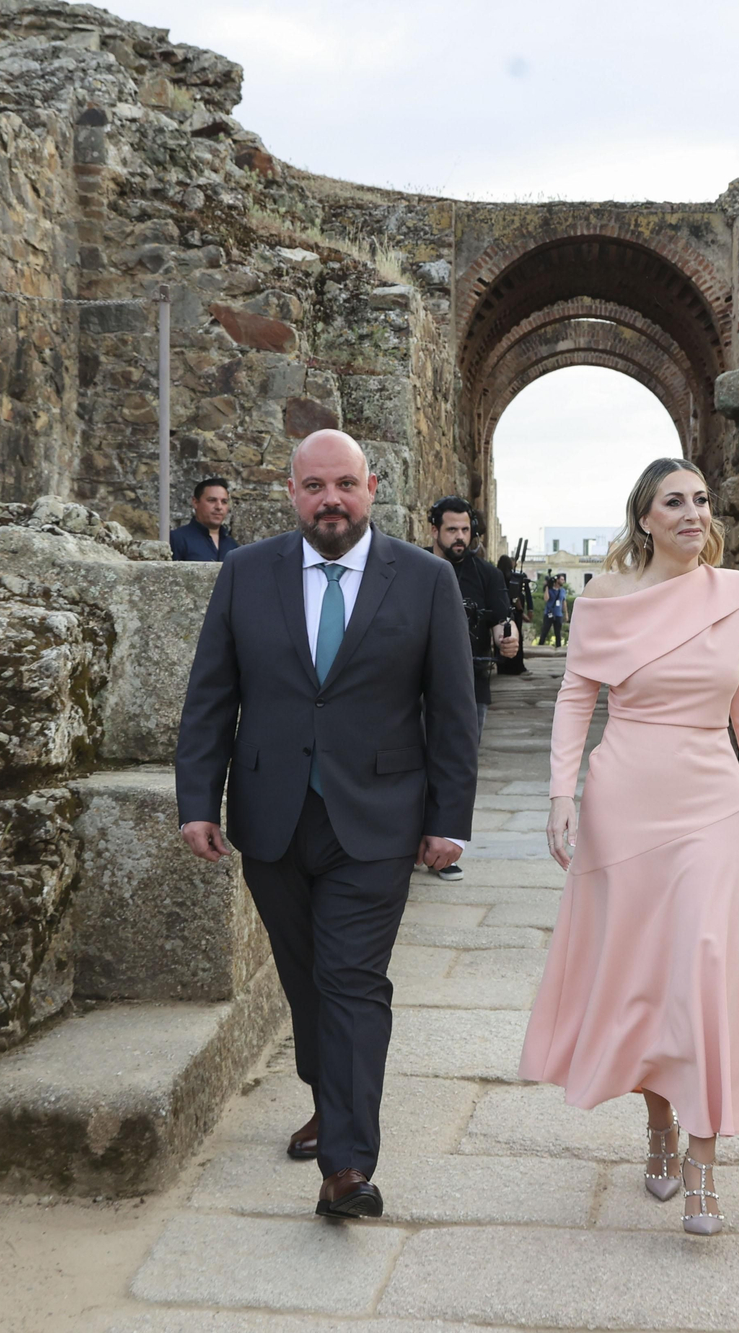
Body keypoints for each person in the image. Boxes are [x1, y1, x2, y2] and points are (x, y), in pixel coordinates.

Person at [174, 429, 478, 1222]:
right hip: (272, 819)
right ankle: (327, 1098)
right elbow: (211, 695)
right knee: (306, 978)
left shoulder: (426, 579)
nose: (331, 499)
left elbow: (452, 709)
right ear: (292, 492)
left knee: (351, 981)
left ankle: (347, 1164)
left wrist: (450, 819)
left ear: (371, 487)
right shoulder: (246, 572)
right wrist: (198, 802)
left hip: (376, 821)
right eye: (315, 486)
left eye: (345, 483)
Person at [521, 457, 739, 1237]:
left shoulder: (738, 597)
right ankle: (658, 1123)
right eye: (674, 501)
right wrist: (559, 793)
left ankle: (704, 1159)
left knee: (704, 968)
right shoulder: (604, 597)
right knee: (649, 975)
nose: (692, 513)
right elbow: (577, 695)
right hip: (625, 797)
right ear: (644, 517)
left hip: (710, 795)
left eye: (701, 500)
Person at [427, 497, 517, 881]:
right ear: (435, 530)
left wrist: (507, 641)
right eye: (452, 530)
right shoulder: (417, 568)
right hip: (414, 687)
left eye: (466, 530)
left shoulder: (487, 575)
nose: (460, 537)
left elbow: (501, 622)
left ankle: (446, 844)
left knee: (457, 765)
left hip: (471, 686)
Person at [169, 476, 240, 561]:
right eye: (212, 500)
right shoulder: (177, 539)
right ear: (195, 502)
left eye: (224, 502)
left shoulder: (232, 546)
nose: (219, 507)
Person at [539, 575, 567, 646]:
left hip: (558, 614)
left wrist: (566, 613)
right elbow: (546, 599)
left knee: (558, 634)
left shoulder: (563, 591)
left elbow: (564, 602)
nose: (563, 581)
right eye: (561, 579)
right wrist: (547, 587)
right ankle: (540, 646)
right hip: (549, 613)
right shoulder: (550, 590)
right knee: (544, 632)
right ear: (557, 580)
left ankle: (558, 648)